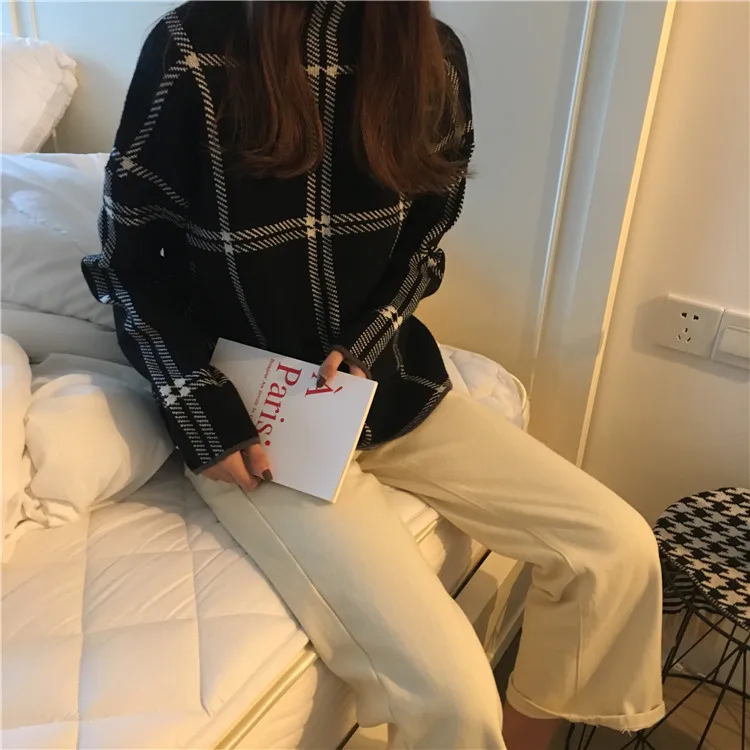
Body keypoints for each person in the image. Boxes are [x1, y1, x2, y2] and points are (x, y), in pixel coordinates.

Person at [82, 2, 665, 748]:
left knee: (617, 550)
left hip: (387, 385)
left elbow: (424, 241)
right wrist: (197, 404)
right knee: (454, 696)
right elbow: (129, 267)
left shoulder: (431, 53)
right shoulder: (195, 46)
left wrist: (369, 337)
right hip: (251, 410)